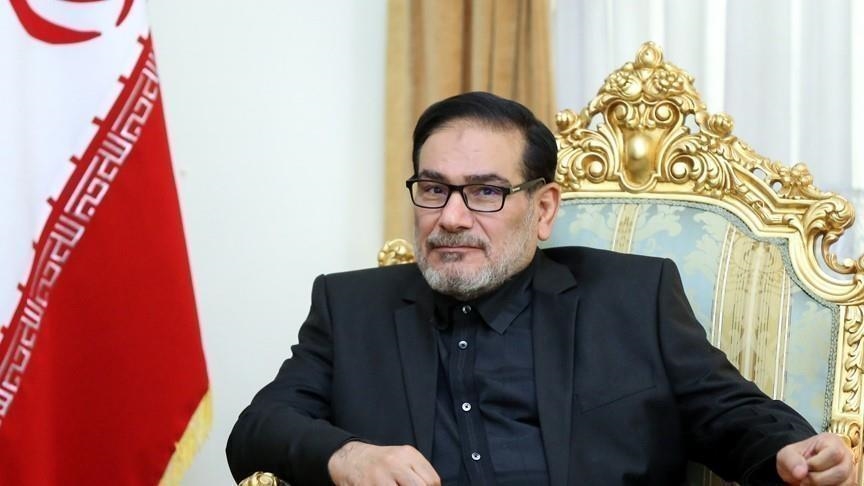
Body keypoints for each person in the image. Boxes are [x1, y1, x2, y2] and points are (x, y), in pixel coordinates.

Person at [226, 92, 856, 486]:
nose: (451, 217)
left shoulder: (631, 297)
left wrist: (793, 451)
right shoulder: (351, 307)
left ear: (544, 208)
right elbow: (257, 429)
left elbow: (730, 414)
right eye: (433, 189)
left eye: (485, 191)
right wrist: (347, 456)